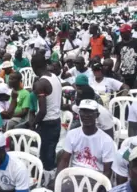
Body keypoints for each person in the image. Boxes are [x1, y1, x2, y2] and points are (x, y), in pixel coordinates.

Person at [57, 99, 115, 184]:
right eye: (83, 112)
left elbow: (107, 171)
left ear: (97, 115)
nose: (86, 115)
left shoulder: (106, 140)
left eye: (90, 112)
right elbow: (64, 160)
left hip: (95, 180)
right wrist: (58, 181)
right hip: (74, 178)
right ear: (79, 113)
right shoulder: (72, 134)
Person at [30, 53, 61, 183]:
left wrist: (33, 124)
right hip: (57, 120)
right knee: (50, 153)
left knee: (46, 156)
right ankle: (50, 180)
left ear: (33, 66)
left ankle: (48, 183)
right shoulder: (54, 76)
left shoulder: (41, 84)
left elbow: (42, 111)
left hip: (47, 123)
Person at [115, 24, 137, 88]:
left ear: (129, 32)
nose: (121, 34)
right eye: (121, 32)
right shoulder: (118, 45)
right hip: (124, 75)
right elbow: (118, 60)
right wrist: (115, 72)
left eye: (123, 32)